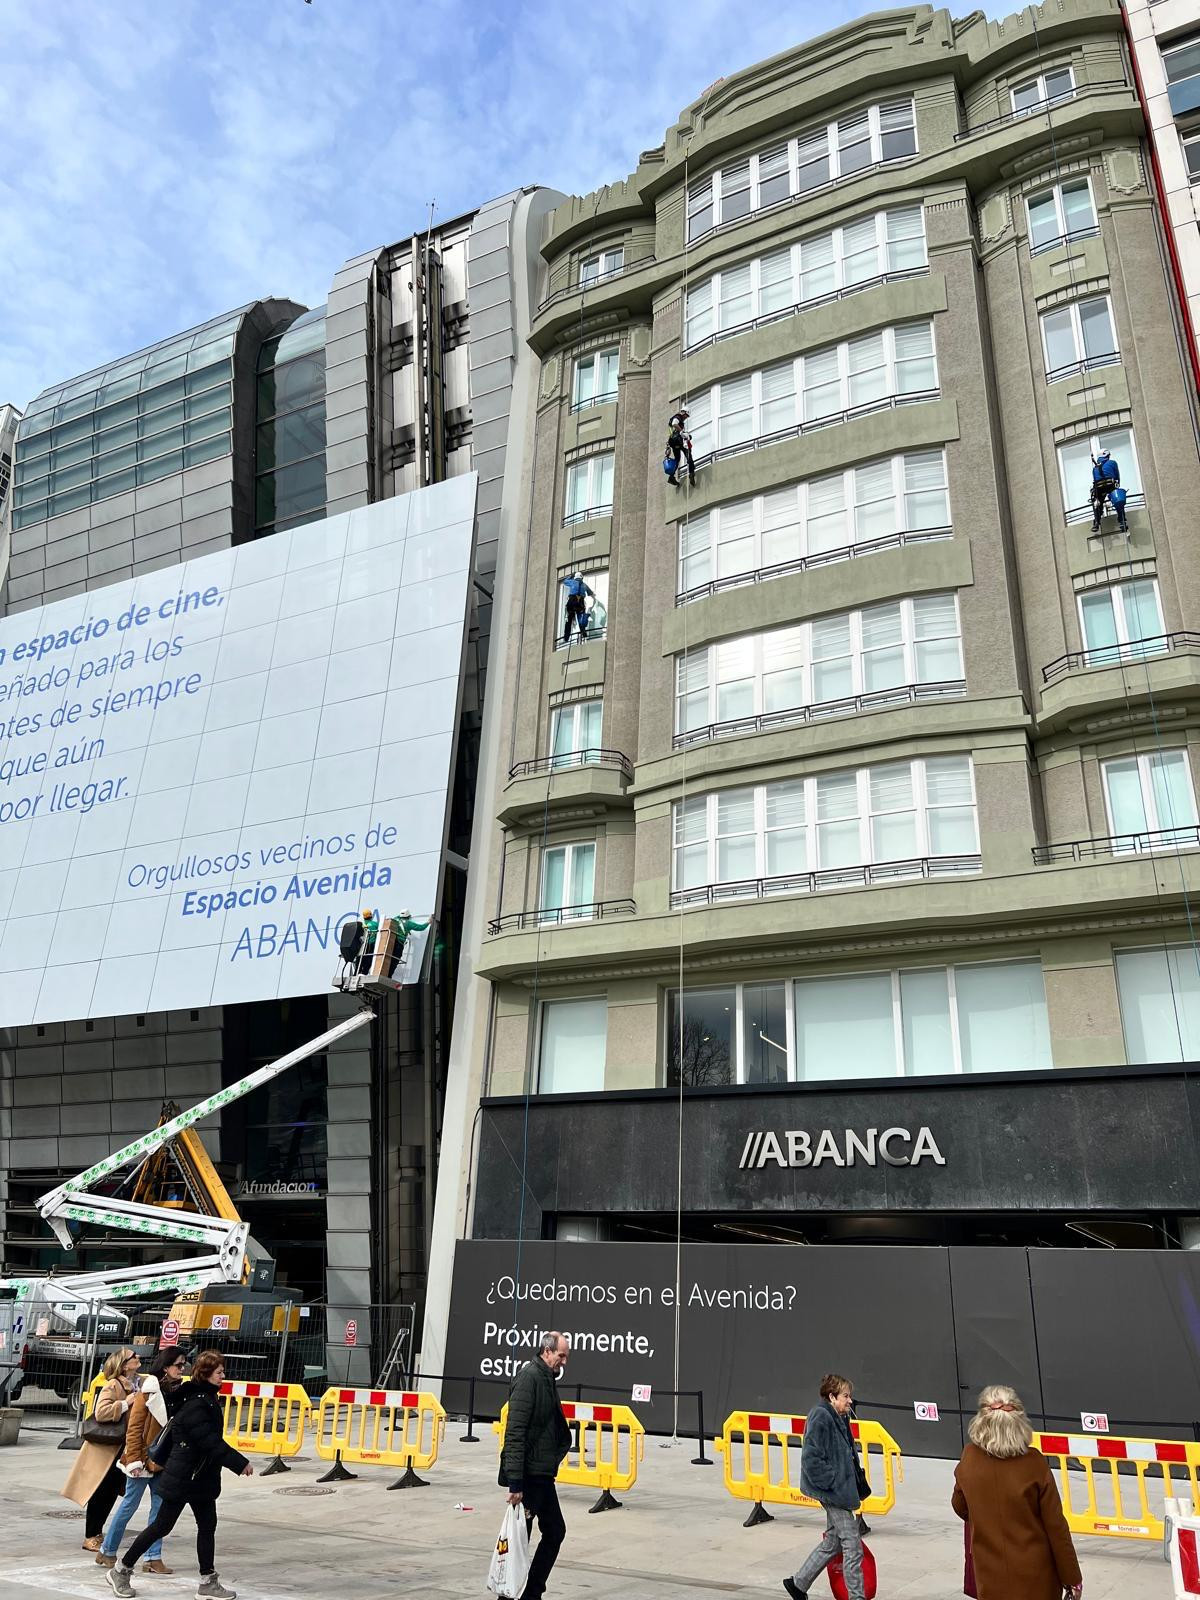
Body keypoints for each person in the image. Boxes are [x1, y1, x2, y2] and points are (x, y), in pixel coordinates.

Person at [106, 1350, 252, 1600]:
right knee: (162, 1526)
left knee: (207, 1526)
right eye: (219, 1372)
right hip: (184, 1476)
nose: (223, 1376)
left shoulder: (204, 1396)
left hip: (201, 1477)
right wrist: (240, 1463)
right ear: (206, 1374)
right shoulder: (196, 1402)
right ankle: (121, 1569)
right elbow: (209, 1441)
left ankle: (208, 1581)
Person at [951, 1385, 1082, 1600]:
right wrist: (1072, 1577)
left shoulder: (969, 1457)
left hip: (990, 1573)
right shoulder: (1034, 1462)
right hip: (1037, 1573)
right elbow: (1056, 1527)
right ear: (1019, 1421)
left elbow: (959, 1505)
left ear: (981, 1420)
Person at [96, 1346, 189, 1574]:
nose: (182, 1369)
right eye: (178, 1365)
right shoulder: (148, 1391)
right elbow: (134, 1428)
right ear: (166, 1367)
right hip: (143, 1460)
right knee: (129, 1505)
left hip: (162, 1460)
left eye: (184, 1364)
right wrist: (135, 1459)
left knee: (159, 1510)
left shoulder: (178, 1391)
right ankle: (107, 1551)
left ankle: (152, 1558)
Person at [782, 1373, 870, 1600]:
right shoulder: (820, 1416)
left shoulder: (840, 1417)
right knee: (852, 1544)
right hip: (833, 1493)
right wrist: (834, 1482)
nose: (850, 1401)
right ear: (832, 1396)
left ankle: (798, 1584)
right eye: (846, 1396)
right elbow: (811, 1458)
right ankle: (857, 1597)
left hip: (840, 1490)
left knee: (833, 1542)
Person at [501, 1330, 572, 1600]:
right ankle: (513, 1595)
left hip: (543, 1473)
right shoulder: (529, 1378)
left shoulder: (546, 1378)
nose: (564, 1361)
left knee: (554, 1531)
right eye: (561, 1355)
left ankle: (531, 1591)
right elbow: (515, 1432)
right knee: (521, 1541)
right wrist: (515, 1483)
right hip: (529, 1476)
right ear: (547, 1351)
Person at [63, 1346, 141, 1554]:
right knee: (101, 1492)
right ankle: (91, 1535)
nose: (138, 1357)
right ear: (124, 1365)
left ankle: (97, 1533)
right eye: (134, 1356)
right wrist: (125, 1403)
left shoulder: (137, 1383)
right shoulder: (113, 1385)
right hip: (106, 1449)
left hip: (122, 1448)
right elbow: (102, 1412)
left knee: (112, 1492)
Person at [385, 909, 429, 978]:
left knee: (389, 958)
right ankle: (389, 976)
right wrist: (428, 922)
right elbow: (420, 927)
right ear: (408, 916)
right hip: (399, 944)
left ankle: (385, 973)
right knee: (395, 960)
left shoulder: (395, 919)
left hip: (391, 942)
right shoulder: (408, 923)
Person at [1090, 450, 1127, 533]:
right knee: (1118, 500)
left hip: (1098, 488)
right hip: (1110, 485)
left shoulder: (1094, 468)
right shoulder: (1112, 463)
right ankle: (1122, 521)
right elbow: (1117, 475)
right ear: (1106, 455)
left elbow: (1095, 479)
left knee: (1097, 503)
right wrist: (1118, 484)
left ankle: (1096, 522)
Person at [559, 572, 595, 645]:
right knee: (580, 618)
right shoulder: (584, 585)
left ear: (575, 577)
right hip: (580, 602)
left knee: (569, 620)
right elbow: (591, 593)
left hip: (572, 602)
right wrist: (594, 596)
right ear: (581, 577)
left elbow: (565, 582)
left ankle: (566, 638)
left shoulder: (572, 581)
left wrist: (570, 576)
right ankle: (583, 632)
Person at [668, 408, 695, 487]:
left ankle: (671, 477)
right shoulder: (678, 417)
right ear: (684, 412)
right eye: (686, 415)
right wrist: (682, 432)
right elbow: (674, 424)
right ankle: (691, 473)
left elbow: (672, 429)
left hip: (673, 442)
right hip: (678, 441)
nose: (686, 417)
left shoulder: (679, 420)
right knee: (688, 455)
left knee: (677, 459)